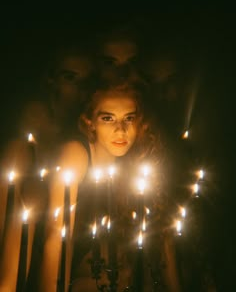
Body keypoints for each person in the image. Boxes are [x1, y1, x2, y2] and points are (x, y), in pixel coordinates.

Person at [39, 82, 181, 292]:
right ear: (89, 123)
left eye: (129, 118)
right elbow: (55, 237)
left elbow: (163, 234)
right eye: (108, 118)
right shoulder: (76, 153)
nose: (120, 130)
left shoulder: (140, 159)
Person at [0, 43, 95, 292]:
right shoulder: (29, 134)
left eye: (85, 81)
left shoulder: (85, 133)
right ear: (51, 80)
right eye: (70, 78)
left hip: (71, 249)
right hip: (21, 245)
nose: (78, 88)